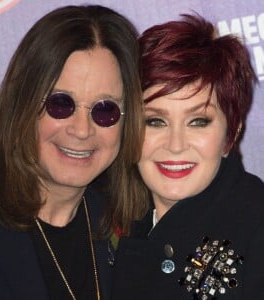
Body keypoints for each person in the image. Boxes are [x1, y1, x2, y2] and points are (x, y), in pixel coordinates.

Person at [0, 5, 143, 300]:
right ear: (22, 104)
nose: (82, 130)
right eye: (61, 104)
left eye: (105, 110)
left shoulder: (130, 223)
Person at [111, 14, 264, 300]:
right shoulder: (105, 222)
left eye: (198, 122)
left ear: (230, 134)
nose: (176, 145)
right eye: (155, 121)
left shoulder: (257, 224)